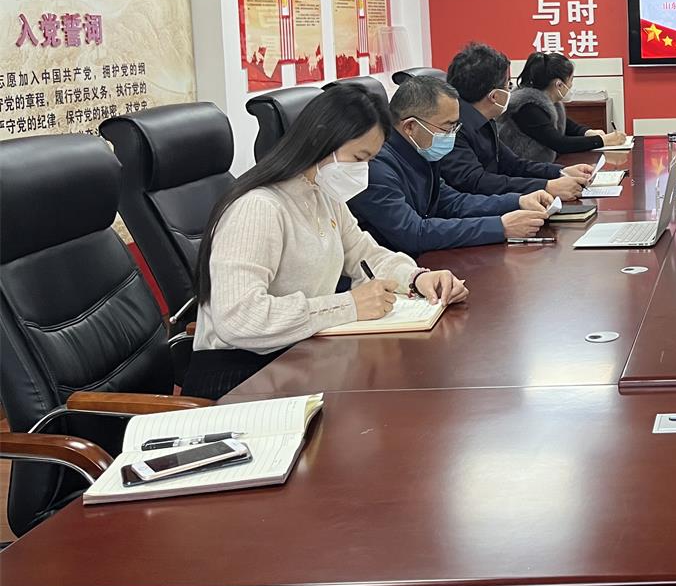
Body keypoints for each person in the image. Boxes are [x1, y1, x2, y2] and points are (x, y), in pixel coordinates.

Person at [181, 84, 470, 400]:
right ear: (322, 141)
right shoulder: (258, 207)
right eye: (358, 158)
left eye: (370, 160)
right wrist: (348, 305)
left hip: (298, 353)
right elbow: (240, 319)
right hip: (240, 377)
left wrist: (417, 278)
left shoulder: (323, 195)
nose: (363, 171)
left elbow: (364, 254)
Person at [349, 75, 551, 256]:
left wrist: (518, 201)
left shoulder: (419, 151)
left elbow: (453, 202)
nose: (452, 135)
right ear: (410, 126)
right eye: (447, 127)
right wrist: (500, 227)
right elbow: (413, 233)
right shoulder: (374, 166)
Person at [442, 42, 596, 199]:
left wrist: (560, 172)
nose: (510, 90)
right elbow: (477, 182)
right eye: (507, 85)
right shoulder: (451, 128)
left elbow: (513, 164)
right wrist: (546, 186)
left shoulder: (485, 121)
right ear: (495, 96)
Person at [495, 51, 627, 164]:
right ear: (558, 84)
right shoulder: (526, 107)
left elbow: (569, 126)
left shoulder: (549, 101)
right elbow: (559, 143)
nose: (571, 85)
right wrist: (602, 141)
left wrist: (588, 132)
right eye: (571, 80)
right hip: (526, 171)